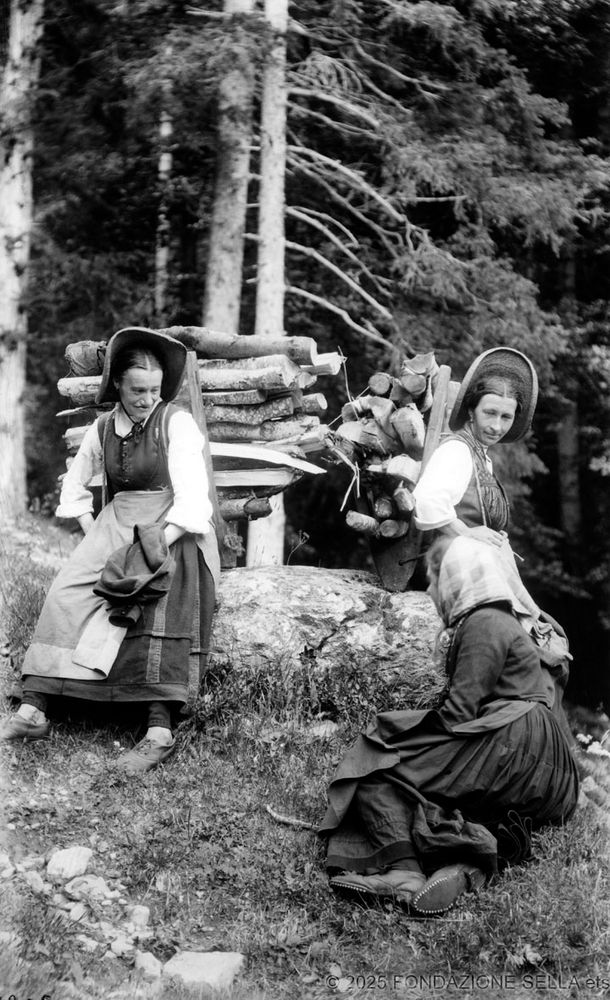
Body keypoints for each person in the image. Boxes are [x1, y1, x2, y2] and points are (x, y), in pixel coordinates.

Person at [320, 535, 579, 916]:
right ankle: (466, 863)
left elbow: (459, 713)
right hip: (547, 771)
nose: (429, 590)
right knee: (444, 791)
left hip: (515, 750)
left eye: (434, 580)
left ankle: (403, 870)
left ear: (456, 579)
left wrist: (398, 736)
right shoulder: (504, 621)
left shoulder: (483, 623)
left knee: (373, 766)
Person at [0, 327, 220, 775]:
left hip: (173, 526)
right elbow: (76, 487)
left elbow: (195, 499)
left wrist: (155, 543)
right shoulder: (102, 429)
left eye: (154, 390)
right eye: (137, 389)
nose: (146, 399)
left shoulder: (174, 422)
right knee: (67, 592)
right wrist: (94, 532)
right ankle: (35, 709)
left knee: (154, 597)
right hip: (114, 524)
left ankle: (158, 729)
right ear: (117, 384)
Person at [412, 346, 537, 549]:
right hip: (449, 557)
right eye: (489, 412)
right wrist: (467, 533)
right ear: (472, 412)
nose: (497, 426)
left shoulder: (480, 456)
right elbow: (427, 500)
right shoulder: (457, 451)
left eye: (506, 417)